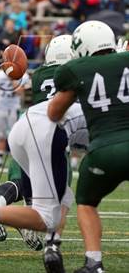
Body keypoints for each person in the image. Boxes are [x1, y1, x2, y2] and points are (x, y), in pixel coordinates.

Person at [0, 35, 80, 270]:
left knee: (22, 181)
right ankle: (49, 242)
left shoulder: (39, 76)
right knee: (61, 192)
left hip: (26, 128)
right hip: (52, 135)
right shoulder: (74, 73)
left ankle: (5, 209)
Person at [47, 20, 129, 273]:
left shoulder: (75, 69)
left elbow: (53, 113)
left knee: (86, 202)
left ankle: (94, 263)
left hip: (104, 149)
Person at [0, 62, 29, 166]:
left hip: (13, 107)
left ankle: (16, 158)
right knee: (0, 134)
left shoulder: (23, 76)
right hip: (0, 106)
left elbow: (19, 92)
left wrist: (13, 80)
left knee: (13, 134)